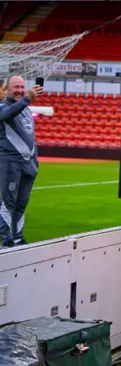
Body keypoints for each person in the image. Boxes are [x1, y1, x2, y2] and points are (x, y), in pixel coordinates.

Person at [0, 75, 43, 247]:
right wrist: (26, 99)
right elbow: (7, 114)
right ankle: (6, 238)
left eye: (21, 87)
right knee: (8, 202)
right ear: (7, 89)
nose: (19, 90)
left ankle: (17, 236)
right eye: (15, 87)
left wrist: (35, 160)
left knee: (21, 204)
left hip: (28, 164)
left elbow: (30, 136)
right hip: (11, 163)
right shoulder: (3, 106)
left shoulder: (25, 110)